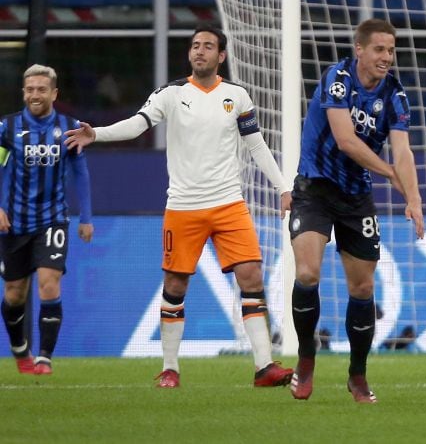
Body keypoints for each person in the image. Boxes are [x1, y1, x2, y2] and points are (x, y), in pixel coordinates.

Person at [64, 25, 293, 389]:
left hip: (229, 203)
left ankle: (264, 367)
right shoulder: (171, 93)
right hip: (184, 206)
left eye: (208, 46)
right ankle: (170, 367)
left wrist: (282, 187)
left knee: (251, 276)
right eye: (195, 46)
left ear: (221, 56)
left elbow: (256, 145)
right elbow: (138, 125)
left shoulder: (237, 96)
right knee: (175, 283)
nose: (199, 51)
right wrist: (98, 133)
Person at [287, 18, 424, 404]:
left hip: (355, 198)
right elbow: (346, 140)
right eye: (379, 49)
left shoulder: (396, 97)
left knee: (363, 288)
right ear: (359, 49)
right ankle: (306, 357)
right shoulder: (338, 77)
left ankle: (358, 376)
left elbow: (402, 151)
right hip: (314, 189)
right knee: (307, 272)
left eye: (392, 50)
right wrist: (392, 176)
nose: (387, 57)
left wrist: (412, 198)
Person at [0, 64, 93, 375]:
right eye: (29, 89)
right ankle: (20, 349)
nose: (34, 95)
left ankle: (44, 357)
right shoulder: (6, 128)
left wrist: (86, 217)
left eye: (41, 89)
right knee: (15, 293)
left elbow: (81, 173)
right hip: (13, 222)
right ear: (23, 93)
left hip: (53, 219)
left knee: (49, 284)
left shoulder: (69, 128)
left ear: (54, 93)